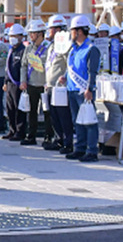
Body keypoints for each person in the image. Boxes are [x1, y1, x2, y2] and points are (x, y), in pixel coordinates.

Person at [65, 15, 101, 162]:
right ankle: (79, 148)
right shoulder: (73, 49)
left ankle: (92, 151)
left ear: (79, 31)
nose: (71, 34)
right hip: (72, 89)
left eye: (72, 31)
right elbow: (72, 68)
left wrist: (89, 89)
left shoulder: (91, 49)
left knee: (89, 121)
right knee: (77, 121)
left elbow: (92, 71)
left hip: (84, 91)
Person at [44, 15, 74, 153]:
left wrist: (65, 77)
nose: (49, 32)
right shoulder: (52, 46)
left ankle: (68, 142)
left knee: (63, 115)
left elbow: (70, 64)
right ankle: (59, 139)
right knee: (54, 115)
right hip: (50, 86)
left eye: (51, 29)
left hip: (60, 87)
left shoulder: (65, 45)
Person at [19, 20, 49, 146]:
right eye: (30, 33)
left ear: (40, 33)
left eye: (33, 33)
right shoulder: (29, 48)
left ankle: (49, 136)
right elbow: (24, 66)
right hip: (31, 84)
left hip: (44, 85)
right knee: (31, 112)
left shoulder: (48, 48)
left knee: (47, 112)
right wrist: (23, 81)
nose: (31, 36)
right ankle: (31, 136)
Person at [3, 24, 28, 142]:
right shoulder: (11, 50)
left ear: (21, 37)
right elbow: (8, 68)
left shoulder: (23, 50)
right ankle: (12, 130)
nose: (12, 38)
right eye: (10, 35)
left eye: (14, 35)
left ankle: (20, 131)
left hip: (18, 84)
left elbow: (23, 67)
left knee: (19, 109)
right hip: (10, 84)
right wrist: (5, 82)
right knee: (10, 109)